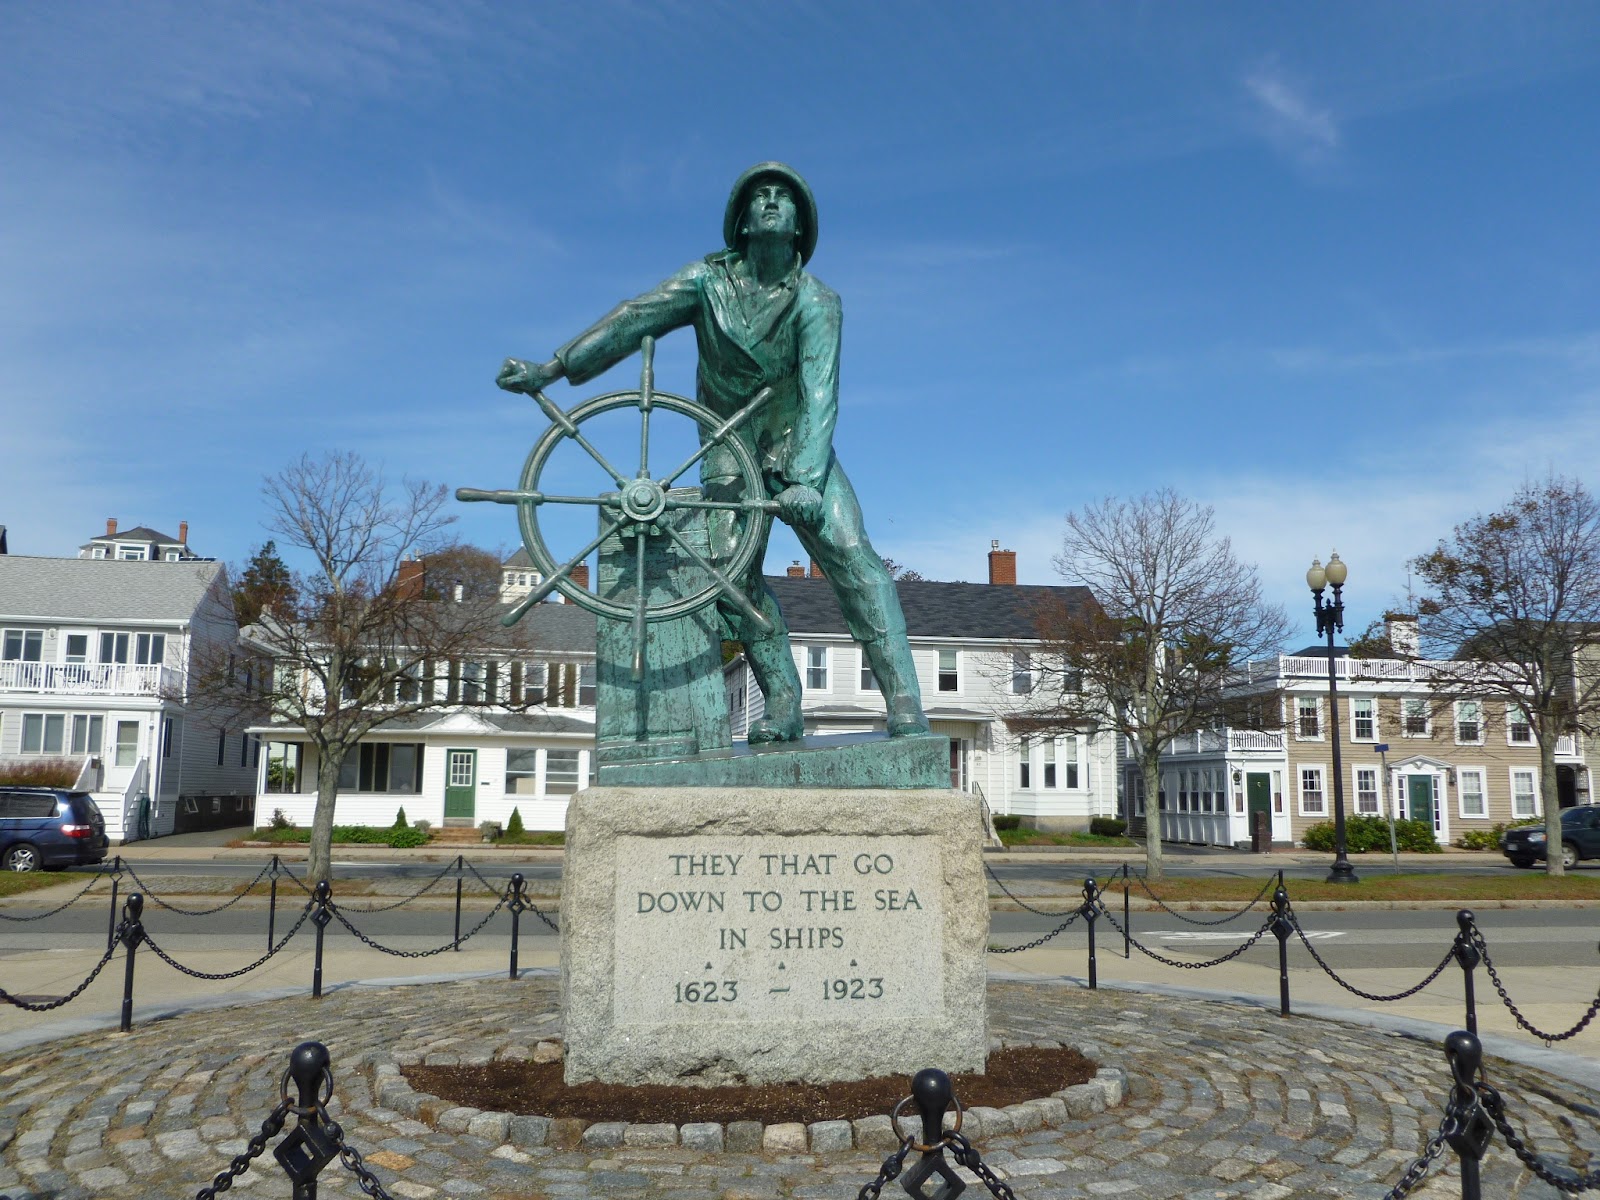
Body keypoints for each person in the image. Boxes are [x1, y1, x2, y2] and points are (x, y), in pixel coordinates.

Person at [497, 162, 928, 743]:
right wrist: (554, 368)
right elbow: (635, 318)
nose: (772, 202)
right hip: (728, 446)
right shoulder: (706, 281)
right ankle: (782, 703)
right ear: (742, 222)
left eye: (785, 197)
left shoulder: (818, 301)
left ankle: (904, 703)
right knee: (732, 580)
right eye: (761, 196)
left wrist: (803, 477)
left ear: (800, 225)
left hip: (799, 443)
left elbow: (821, 389)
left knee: (856, 561)